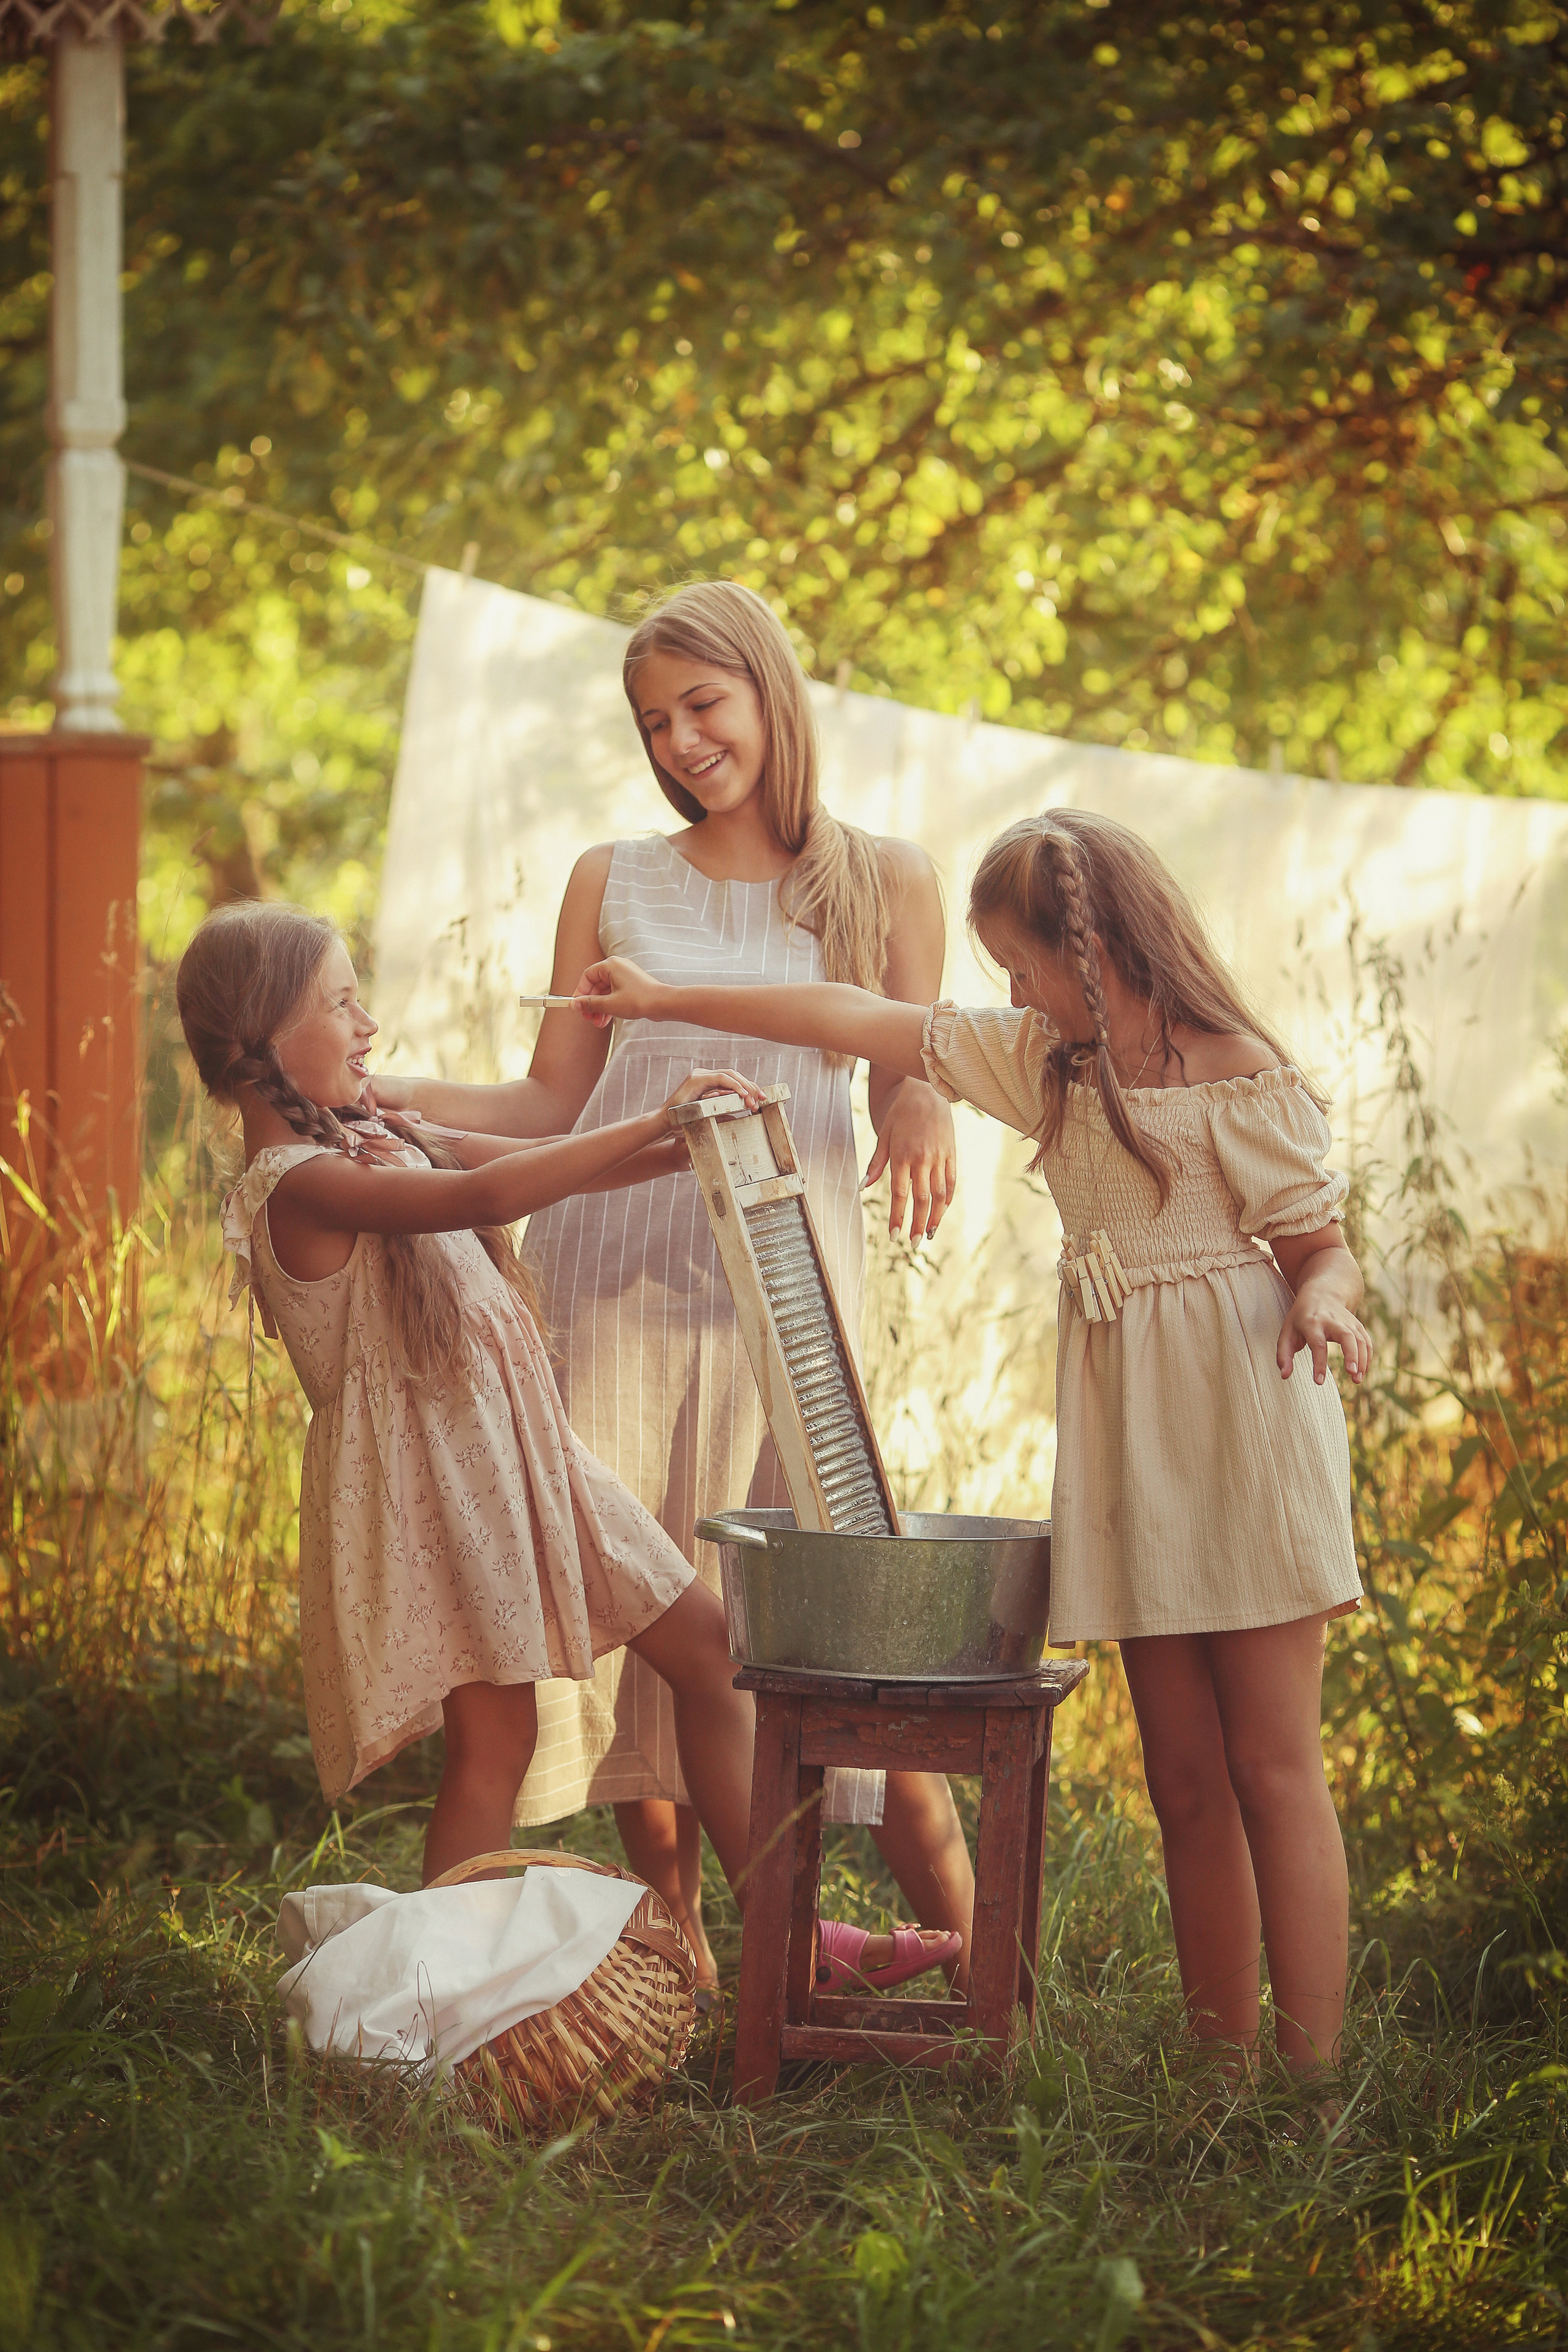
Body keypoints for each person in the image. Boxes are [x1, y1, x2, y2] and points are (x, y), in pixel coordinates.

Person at [567, 809, 1370, 2079]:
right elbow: (852, 1019)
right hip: (1130, 1448)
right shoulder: (1041, 1061)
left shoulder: (1232, 1067)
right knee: (1180, 1776)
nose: (1005, 991)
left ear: (1092, 955)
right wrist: (666, 993)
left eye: (1020, 965)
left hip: (1245, 1420)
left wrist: (1323, 1297)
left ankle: (1310, 2081)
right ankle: (1219, 2067)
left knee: (1271, 1762)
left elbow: (1317, 1247)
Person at [173, 897, 960, 1991]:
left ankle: (794, 1946)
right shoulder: (296, 1187)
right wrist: (650, 1121)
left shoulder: (381, 1137)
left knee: (715, 1654)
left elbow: (546, 1158)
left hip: (529, 1456)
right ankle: (450, 2004)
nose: (368, 1023)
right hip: (443, 1489)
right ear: (260, 1035)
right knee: (494, 1748)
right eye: (341, 1002)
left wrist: (684, 1140)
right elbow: (488, 1194)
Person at [373, 579, 976, 1992]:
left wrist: (925, 1104)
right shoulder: (613, 876)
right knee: (640, 1619)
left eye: (703, 704)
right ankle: (687, 1956)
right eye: (656, 720)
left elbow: (908, 1059)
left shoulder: (883, 880)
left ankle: (857, 1942)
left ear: (769, 689)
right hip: (609, 1289)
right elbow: (545, 1102)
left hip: (782, 1303)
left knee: (784, 1616)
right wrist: (385, 1097)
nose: (682, 738)